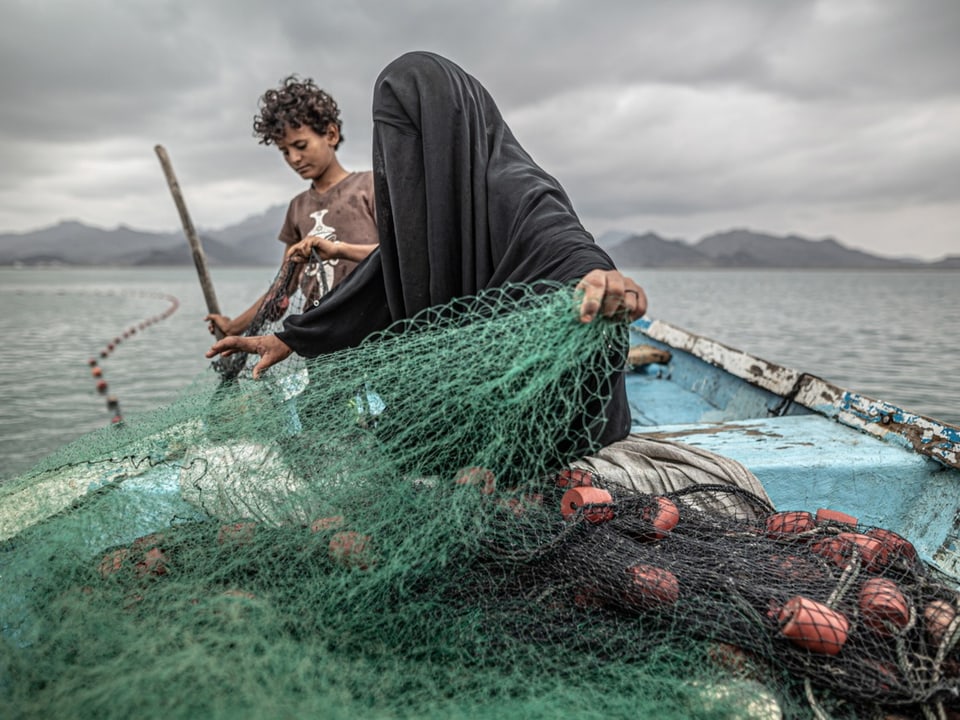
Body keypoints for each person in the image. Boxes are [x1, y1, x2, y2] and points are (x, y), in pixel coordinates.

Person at [208, 51, 647, 448]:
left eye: (412, 138)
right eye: (391, 142)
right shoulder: (419, 209)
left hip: (535, 408)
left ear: (448, 129)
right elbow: (383, 275)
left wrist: (599, 277)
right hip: (463, 399)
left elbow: (564, 245)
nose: (401, 158)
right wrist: (292, 337)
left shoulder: (515, 187)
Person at [205, 75, 379, 338]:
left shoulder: (370, 187)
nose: (294, 158)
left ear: (331, 134)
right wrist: (234, 327)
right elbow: (284, 287)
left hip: (375, 331)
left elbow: (399, 256)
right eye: (285, 152)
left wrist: (339, 250)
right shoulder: (298, 208)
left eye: (300, 145)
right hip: (320, 337)